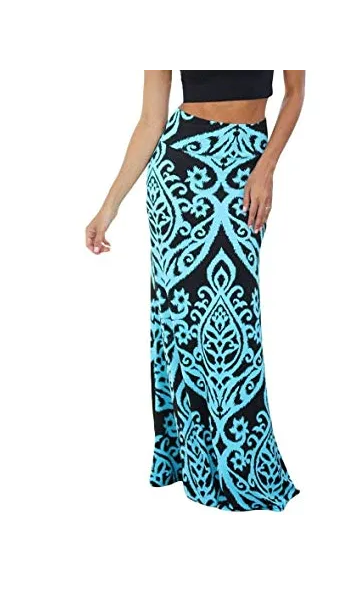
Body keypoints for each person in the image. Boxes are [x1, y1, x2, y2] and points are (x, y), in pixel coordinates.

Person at [86, 67, 305, 511]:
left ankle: (244, 463)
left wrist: (266, 168)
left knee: (235, 323)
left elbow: (295, 92)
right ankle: (195, 463)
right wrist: (108, 209)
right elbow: (151, 120)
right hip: (181, 175)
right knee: (184, 323)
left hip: (247, 165)